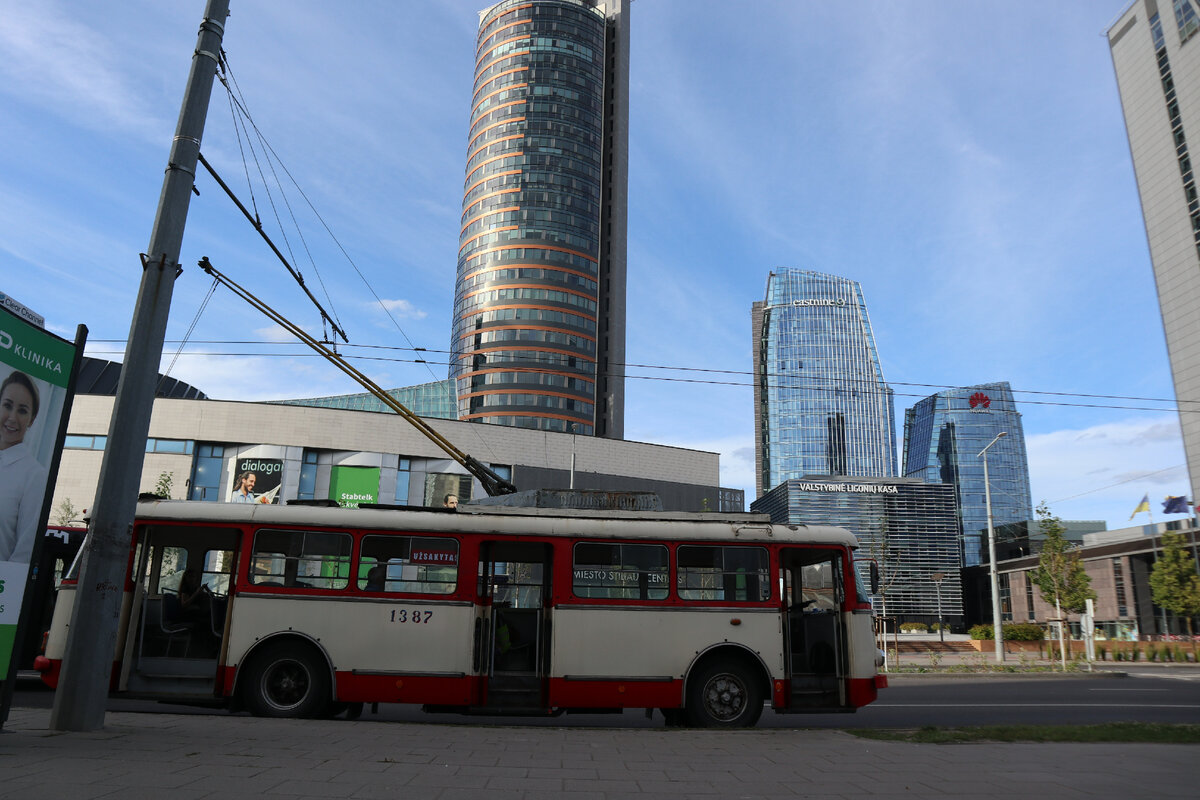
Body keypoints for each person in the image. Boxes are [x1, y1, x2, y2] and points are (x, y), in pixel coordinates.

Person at [0, 370, 47, 563]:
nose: (12, 417)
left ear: (32, 419)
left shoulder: (34, 475)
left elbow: (24, 553)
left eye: (22, 410)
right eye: (7, 406)